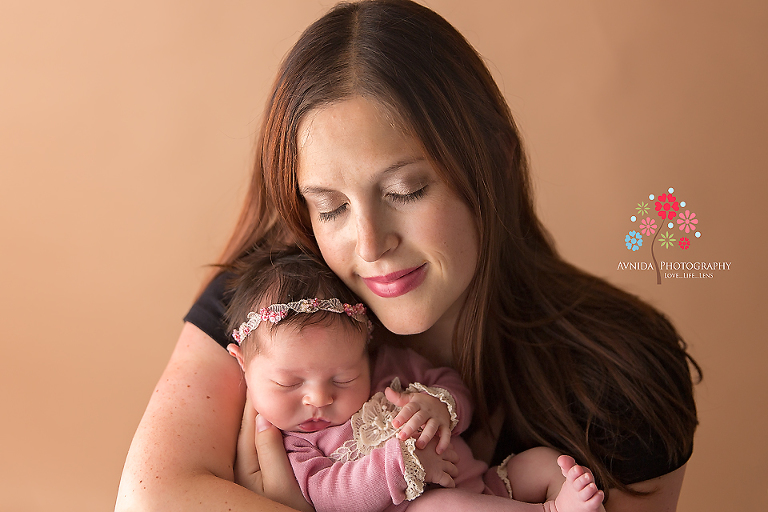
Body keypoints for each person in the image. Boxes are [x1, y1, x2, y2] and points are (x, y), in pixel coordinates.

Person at [115, 1, 700, 511]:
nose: (370, 246)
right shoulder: (276, 309)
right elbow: (150, 499)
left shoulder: (619, 379)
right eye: (330, 206)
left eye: (405, 191)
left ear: (491, 160)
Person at [223, 249, 605, 512]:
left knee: (543, 463)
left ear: (366, 353)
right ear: (242, 364)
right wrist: (400, 464)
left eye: (343, 378)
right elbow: (329, 496)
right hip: (422, 507)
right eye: (289, 383)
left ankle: (555, 495)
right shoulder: (293, 443)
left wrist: (441, 405)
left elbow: (451, 383)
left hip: (484, 484)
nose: (319, 398)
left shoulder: (390, 369)